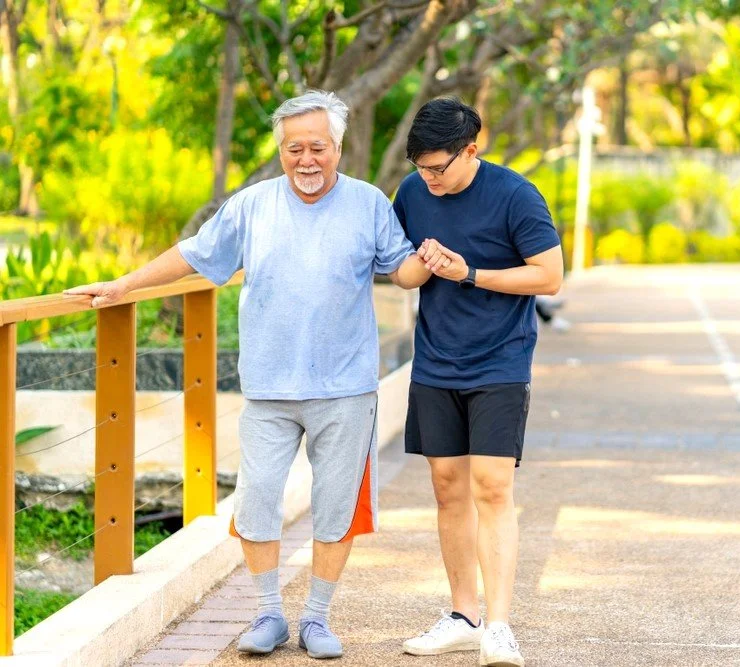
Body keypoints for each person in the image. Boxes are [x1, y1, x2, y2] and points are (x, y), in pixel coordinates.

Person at [66, 90, 431, 660]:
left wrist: (427, 260)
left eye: (317, 147)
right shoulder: (253, 204)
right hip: (267, 387)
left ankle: (316, 619)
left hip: (346, 386)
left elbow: (401, 270)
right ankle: (268, 613)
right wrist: (123, 286)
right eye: (293, 149)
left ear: (338, 147)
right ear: (280, 150)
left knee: (337, 505)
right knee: (257, 500)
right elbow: (194, 253)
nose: (305, 160)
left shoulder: (367, 204)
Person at [392, 97, 562, 667]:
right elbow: (402, 276)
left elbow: (549, 276)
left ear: (472, 149)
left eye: (439, 168)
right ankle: (463, 615)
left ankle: (499, 625)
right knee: (447, 488)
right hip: (436, 361)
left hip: (500, 361)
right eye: (421, 168)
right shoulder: (414, 192)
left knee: (492, 487)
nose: (429, 180)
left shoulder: (516, 195)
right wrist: (424, 262)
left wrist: (469, 273)